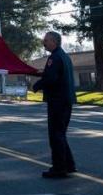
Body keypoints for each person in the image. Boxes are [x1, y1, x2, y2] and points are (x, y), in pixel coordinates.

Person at [32, 31, 77, 178]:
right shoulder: (64, 56)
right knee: (61, 133)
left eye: (46, 41)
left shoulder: (54, 58)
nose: (44, 43)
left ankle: (59, 168)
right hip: (66, 100)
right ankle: (68, 165)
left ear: (54, 42)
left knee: (55, 135)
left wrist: (37, 85)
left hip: (57, 101)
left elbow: (51, 78)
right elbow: (53, 74)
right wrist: (41, 74)